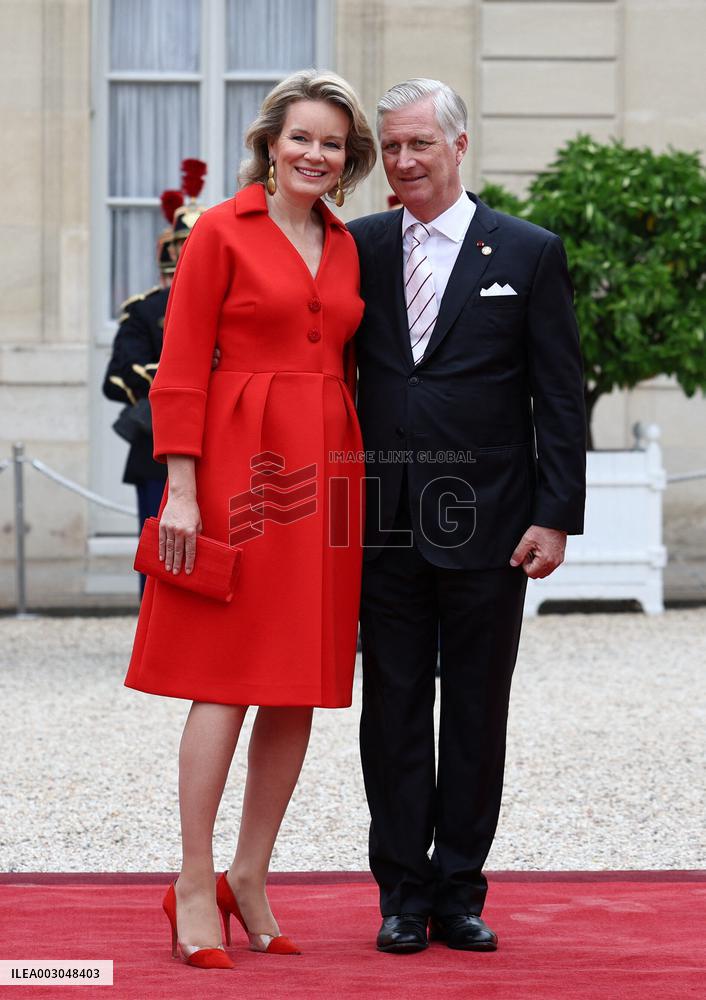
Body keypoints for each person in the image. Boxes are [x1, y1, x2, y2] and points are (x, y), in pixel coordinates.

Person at [123, 70, 376, 970]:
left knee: (298, 681)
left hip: (328, 471)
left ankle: (250, 874)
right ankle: (193, 877)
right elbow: (181, 364)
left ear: (350, 162)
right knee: (224, 676)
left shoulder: (349, 245)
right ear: (270, 144)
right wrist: (181, 488)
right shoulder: (220, 233)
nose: (315, 153)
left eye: (333, 144)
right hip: (235, 469)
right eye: (301, 137)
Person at [347, 79, 586, 954]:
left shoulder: (526, 252)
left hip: (492, 522)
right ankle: (401, 896)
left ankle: (460, 892)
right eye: (393, 147)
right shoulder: (359, 246)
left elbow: (559, 396)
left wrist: (555, 516)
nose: (404, 162)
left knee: (478, 710)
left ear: (459, 145)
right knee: (394, 708)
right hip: (383, 520)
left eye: (420, 145)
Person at [102, 170, 207, 594]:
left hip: (218, 439)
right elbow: (117, 378)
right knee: (160, 557)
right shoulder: (146, 310)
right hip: (155, 446)